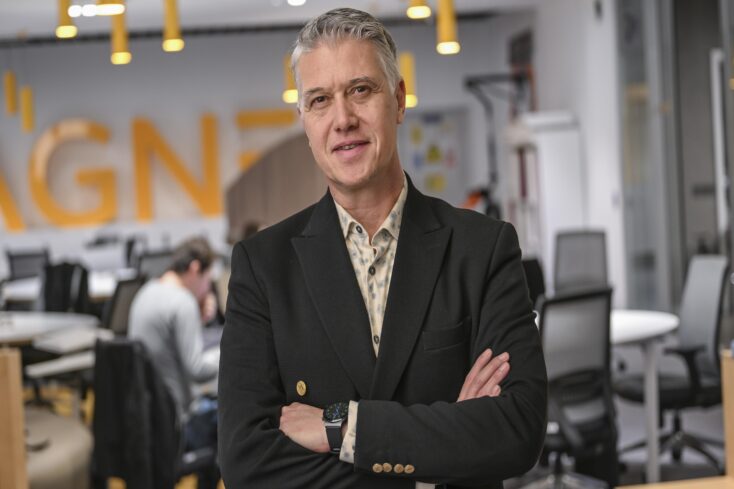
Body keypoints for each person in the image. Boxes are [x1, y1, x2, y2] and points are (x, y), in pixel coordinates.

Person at [219, 8, 547, 489]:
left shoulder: (483, 248)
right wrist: (438, 455)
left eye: (360, 90)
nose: (343, 119)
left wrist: (340, 429)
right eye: (320, 100)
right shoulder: (263, 267)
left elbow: (517, 431)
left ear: (398, 100)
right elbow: (246, 464)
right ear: (304, 121)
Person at [128, 236, 220, 488]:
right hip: (178, 424)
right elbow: (197, 369)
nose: (208, 289)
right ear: (195, 269)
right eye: (208, 280)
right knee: (231, 419)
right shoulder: (182, 302)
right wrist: (228, 353)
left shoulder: (147, 291)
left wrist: (198, 321)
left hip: (149, 421)